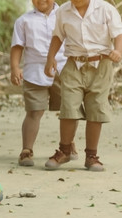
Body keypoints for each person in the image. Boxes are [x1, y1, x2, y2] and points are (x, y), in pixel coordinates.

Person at [44, 0, 122, 171]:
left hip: (101, 64)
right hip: (74, 64)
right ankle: (65, 150)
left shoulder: (106, 9)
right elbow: (58, 35)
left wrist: (118, 50)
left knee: (96, 107)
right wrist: (51, 58)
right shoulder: (63, 11)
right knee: (69, 106)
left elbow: (118, 34)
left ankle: (91, 156)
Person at [10, 0, 78, 167]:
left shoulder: (67, 14)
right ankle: (26, 150)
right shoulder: (23, 21)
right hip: (34, 71)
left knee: (69, 109)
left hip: (63, 69)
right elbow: (17, 46)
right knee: (34, 111)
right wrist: (14, 67)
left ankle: (68, 144)